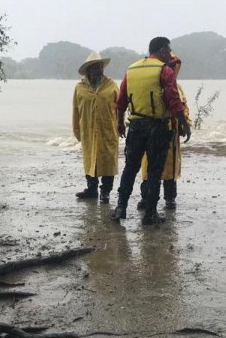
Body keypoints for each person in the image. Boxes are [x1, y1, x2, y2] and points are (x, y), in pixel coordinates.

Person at [111, 37, 191, 225]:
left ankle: (120, 207)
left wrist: (120, 123)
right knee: (155, 171)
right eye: (169, 50)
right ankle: (151, 213)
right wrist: (184, 125)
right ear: (162, 50)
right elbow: (173, 101)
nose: (170, 54)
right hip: (157, 127)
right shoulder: (165, 70)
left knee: (130, 168)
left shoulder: (132, 70)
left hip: (136, 126)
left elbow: (121, 101)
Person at [136, 53, 192, 210]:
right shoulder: (151, 85)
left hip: (172, 132)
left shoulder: (177, 88)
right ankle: (146, 197)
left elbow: (183, 107)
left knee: (170, 169)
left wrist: (184, 123)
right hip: (153, 130)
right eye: (170, 66)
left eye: (175, 67)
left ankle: (170, 198)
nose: (173, 70)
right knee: (148, 166)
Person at [72, 52, 120, 203]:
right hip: (88, 131)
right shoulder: (80, 87)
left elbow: (120, 107)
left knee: (108, 162)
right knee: (89, 159)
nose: (98, 70)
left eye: (100, 67)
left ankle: (105, 192)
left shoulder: (111, 85)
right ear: (88, 70)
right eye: (94, 68)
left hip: (108, 131)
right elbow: (75, 110)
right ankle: (91, 190)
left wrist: (121, 125)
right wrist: (77, 130)